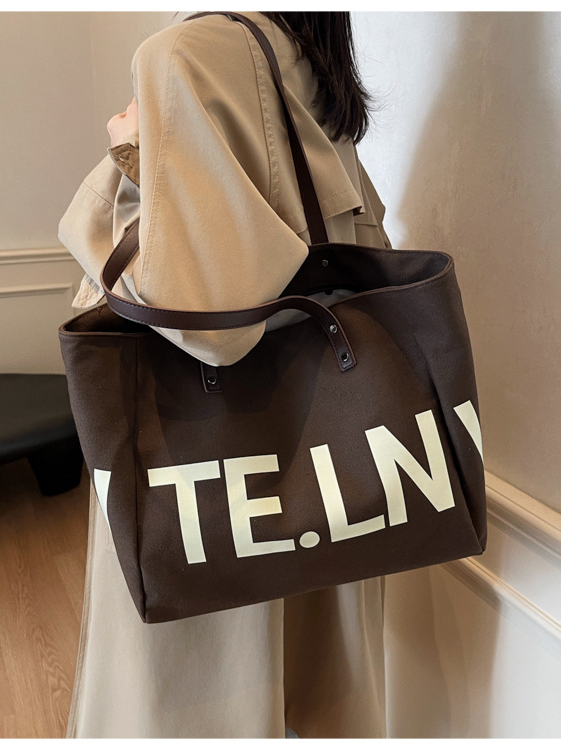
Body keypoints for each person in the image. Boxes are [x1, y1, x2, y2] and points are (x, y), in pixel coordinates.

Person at [58, 11, 393, 738]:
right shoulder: (308, 54)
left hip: (205, 465)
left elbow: (205, 321)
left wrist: (128, 152)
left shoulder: (184, 52)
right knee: (318, 694)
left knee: (202, 698)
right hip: (330, 458)